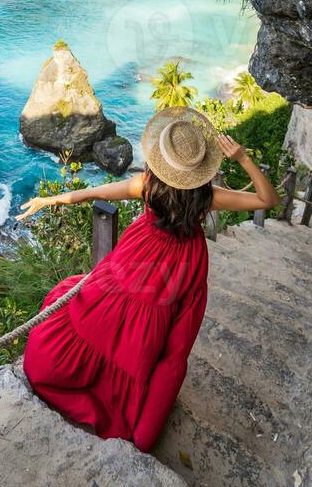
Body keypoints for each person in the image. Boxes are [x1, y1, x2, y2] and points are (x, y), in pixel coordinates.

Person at [17, 106, 280, 453]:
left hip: (138, 255)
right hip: (181, 267)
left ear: (160, 159)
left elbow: (99, 192)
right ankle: (138, 397)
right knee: (166, 337)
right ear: (198, 169)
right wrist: (244, 159)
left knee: (106, 309)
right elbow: (268, 199)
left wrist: (54, 198)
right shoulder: (207, 198)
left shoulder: (147, 185)